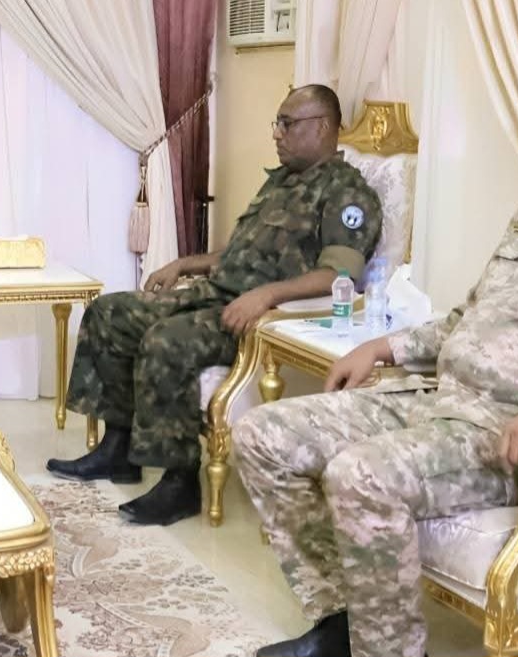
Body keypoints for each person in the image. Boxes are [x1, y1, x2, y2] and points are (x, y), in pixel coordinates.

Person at [233, 70, 518, 657]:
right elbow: (468, 317)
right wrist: (386, 347)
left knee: (361, 474)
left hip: (504, 435)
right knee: (260, 435)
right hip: (437, 399)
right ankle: (340, 623)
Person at [47, 85, 384, 526]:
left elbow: (338, 276)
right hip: (216, 293)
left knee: (167, 340)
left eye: (287, 124)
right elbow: (242, 253)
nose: (277, 134)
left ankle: (179, 483)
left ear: (321, 127)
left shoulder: (346, 193)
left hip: (257, 316)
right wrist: (186, 263)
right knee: (109, 313)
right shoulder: (281, 182)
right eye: (277, 124)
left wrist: (266, 295)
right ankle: (119, 449)